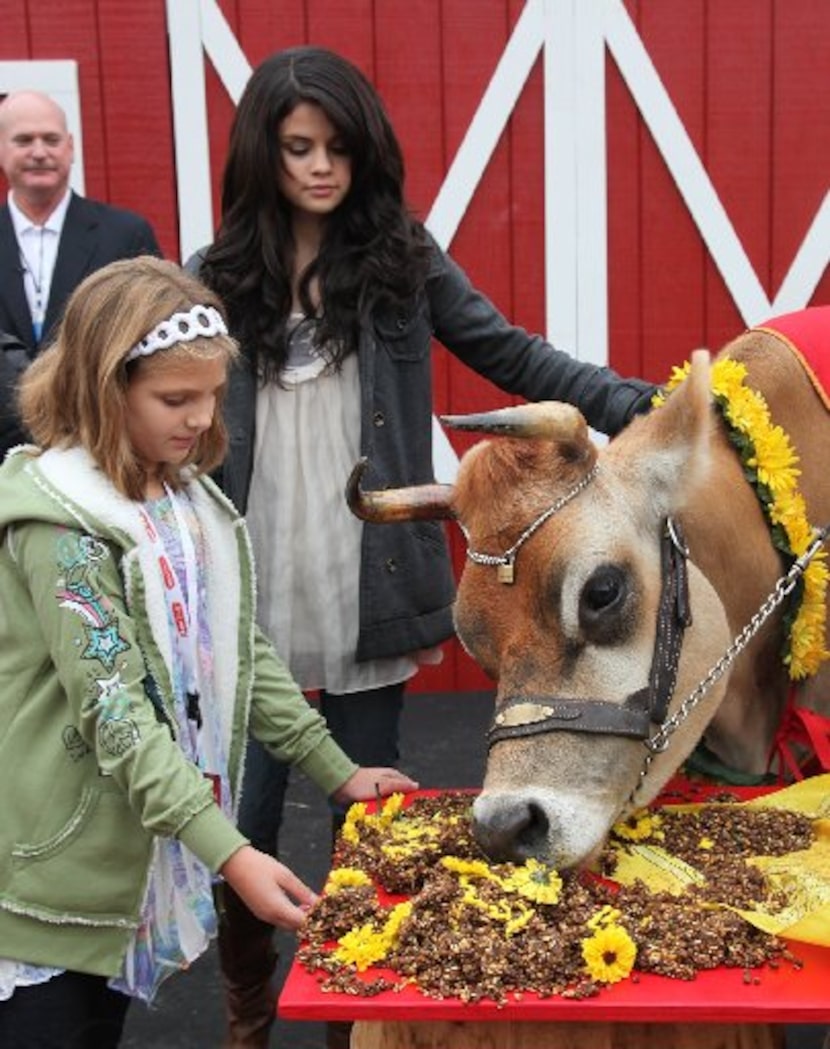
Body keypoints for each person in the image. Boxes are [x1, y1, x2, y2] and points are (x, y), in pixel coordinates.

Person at [190, 45, 657, 1048]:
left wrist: (636, 405)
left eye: (339, 147)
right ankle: (245, 1010)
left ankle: (351, 1022)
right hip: (251, 579)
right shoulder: (215, 279)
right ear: (262, 154)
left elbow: (509, 351)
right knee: (245, 823)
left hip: (368, 571)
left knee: (370, 822)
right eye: (299, 148)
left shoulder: (403, 262)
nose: (322, 167)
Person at [0, 255, 417, 1049]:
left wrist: (335, 768)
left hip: (122, 852)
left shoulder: (183, 493)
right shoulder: (62, 522)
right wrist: (233, 856)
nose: (200, 419)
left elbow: (236, 650)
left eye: (213, 395)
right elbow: (115, 712)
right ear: (103, 386)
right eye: (174, 399)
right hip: (53, 862)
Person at [0, 90, 161, 453]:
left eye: (51, 139)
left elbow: (152, 346)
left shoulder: (126, 234)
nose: (39, 152)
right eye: (24, 140)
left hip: (99, 446)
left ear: (70, 147)